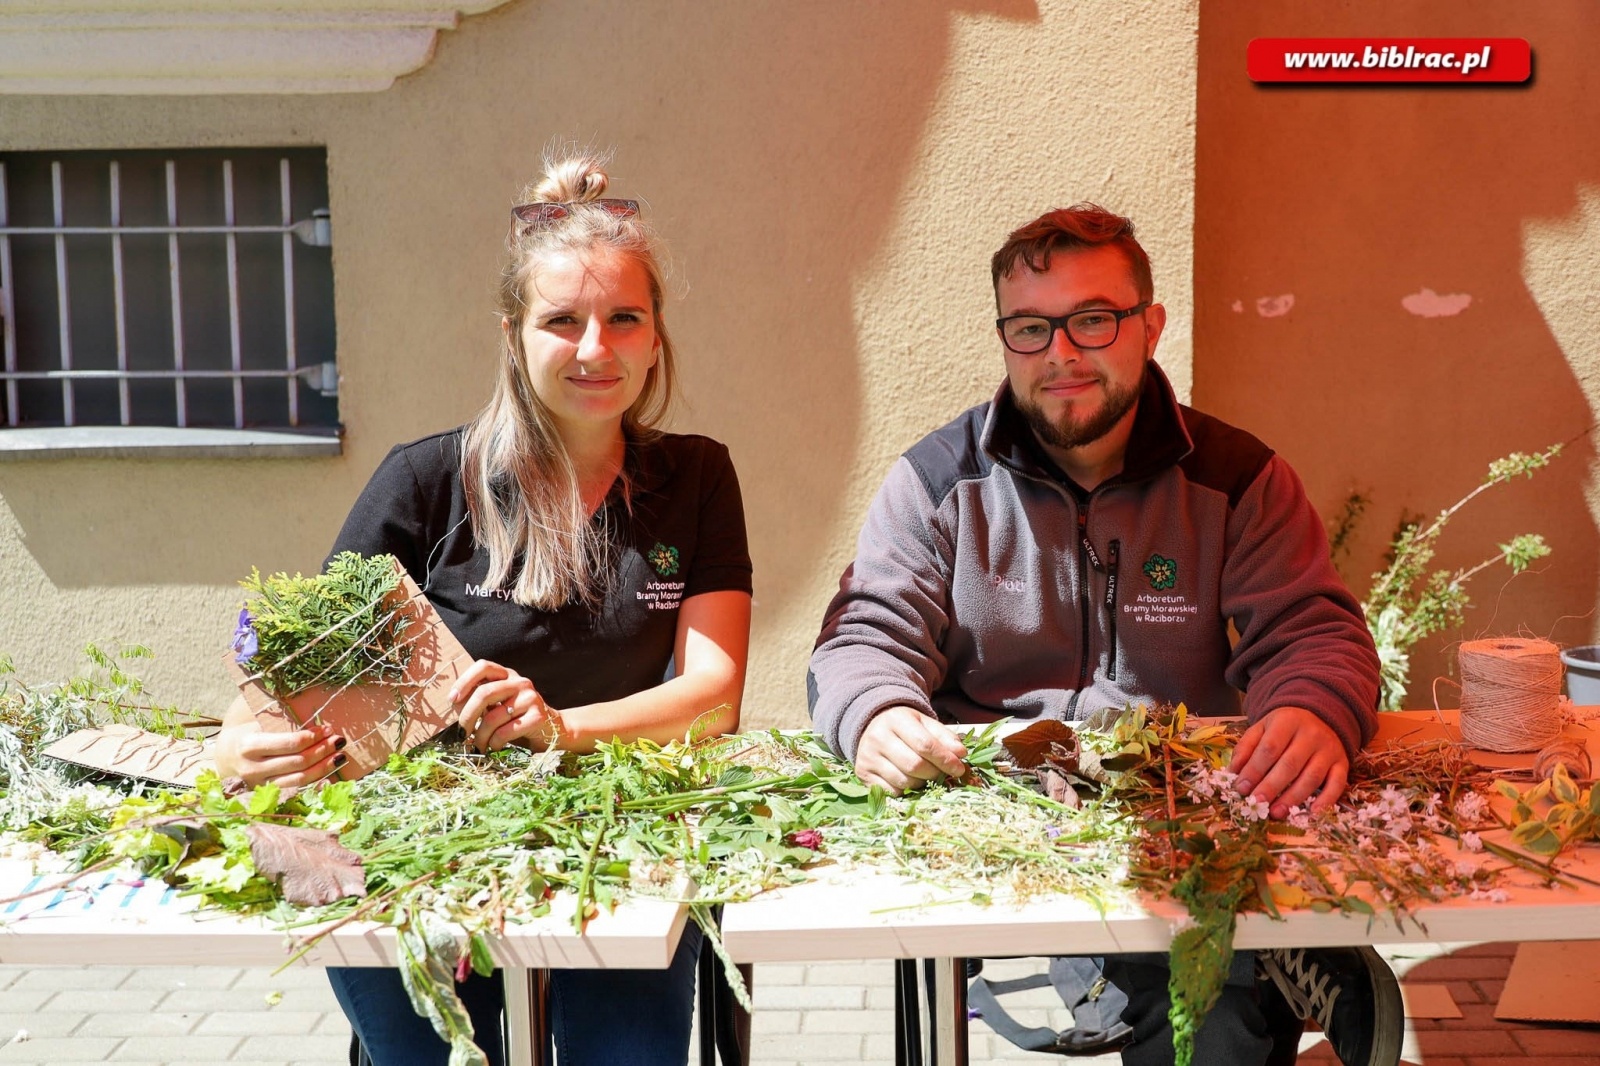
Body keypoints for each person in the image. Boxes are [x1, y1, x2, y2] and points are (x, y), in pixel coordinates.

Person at [806, 204, 1401, 1066]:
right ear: (1005, 338)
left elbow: (1315, 631)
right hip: (1005, 811)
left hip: (1187, 802)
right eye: (1030, 327)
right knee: (1203, 1003)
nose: (1061, 352)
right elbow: (863, 634)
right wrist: (875, 712)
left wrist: (1314, 706)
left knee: (1206, 1018)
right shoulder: (937, 482)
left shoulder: (1237, 478)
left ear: (1150, 326)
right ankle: (1277, 959)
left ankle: (1260, 958)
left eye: (1093, 319)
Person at [213, 149, 753, 1066]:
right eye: (562, 321)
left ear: (657, 335)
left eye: (624, 319)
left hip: (614, 840)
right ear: (513, 335)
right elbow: (288, 681)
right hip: (410, 847)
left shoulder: (696, 476)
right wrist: (238, 746)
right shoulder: (425, 481)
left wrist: (560, 731)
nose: (595, 349)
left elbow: (714, 698)